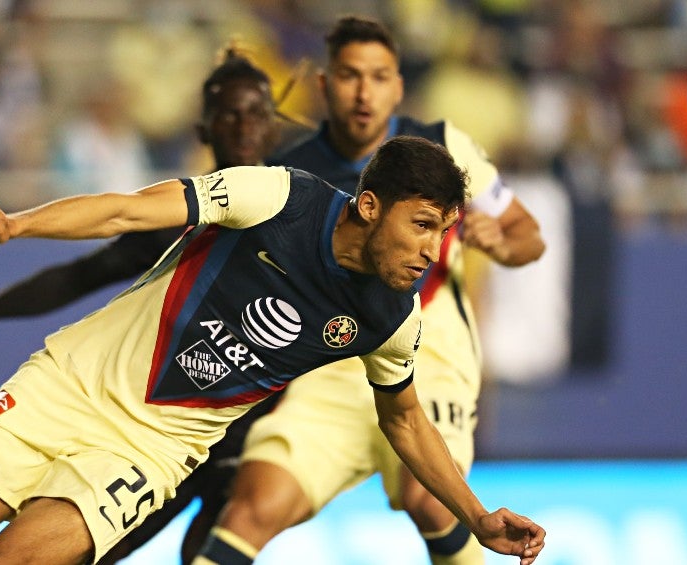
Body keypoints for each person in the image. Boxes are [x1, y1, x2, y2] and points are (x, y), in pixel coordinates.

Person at [0, 135, 545, 565]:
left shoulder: (391, 316)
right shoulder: (279, 199)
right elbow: (128, 211)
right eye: (423, 225)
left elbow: (404, 420)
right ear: (371, 206)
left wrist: (477, 517)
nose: (433, 251)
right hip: (70, 384)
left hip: (150, 451)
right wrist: (18, 224)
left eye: (444, 231)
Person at [0, 48, 288, 564]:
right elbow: (83, 274)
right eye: (230, 114)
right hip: (144, 427)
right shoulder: (175, 214)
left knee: (213, 551)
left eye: (257, 114)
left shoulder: (303, 218)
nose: (244, 127)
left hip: (242, 435)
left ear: (276, 125)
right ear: (204, 129)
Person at [195, 16, 546, 565]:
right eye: (349, 75)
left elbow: (528, 237)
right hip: (332, 357)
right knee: (253, 507)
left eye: (379, 77)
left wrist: (501, 244)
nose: (364, 93)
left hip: (430, 355)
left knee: (431, 500)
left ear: (398, 86)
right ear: (324, 84)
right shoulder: (291, 170)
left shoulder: (445, 147)